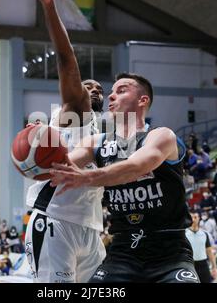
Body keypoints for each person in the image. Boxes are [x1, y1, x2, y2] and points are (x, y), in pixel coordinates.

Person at [49, 72, 199, 283]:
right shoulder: (96, 142)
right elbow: (58, 167)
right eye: (111, 92)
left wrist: (86, 177)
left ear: (142, 100)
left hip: (170, 253)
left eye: (121, 91)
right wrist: (37, 149)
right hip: (122, 253)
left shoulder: (162, 136)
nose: (111, 96)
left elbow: (136, 166)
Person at [22, 0, 106, 283]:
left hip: (91, 227)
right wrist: (49, 6)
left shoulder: (103, 130)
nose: (93, 90)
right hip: (57, 218)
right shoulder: (74, 111)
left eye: (99, 89)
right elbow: (66, 61)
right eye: (88, 86)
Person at [185, 212, 217, 283]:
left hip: (203, 265)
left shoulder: (204, 234)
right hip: (190, 265)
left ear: (199, 219)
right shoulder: (185, 234)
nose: (193, 219)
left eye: (195, 217)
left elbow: (209, 252)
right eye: (191, 217)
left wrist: (214, 267)